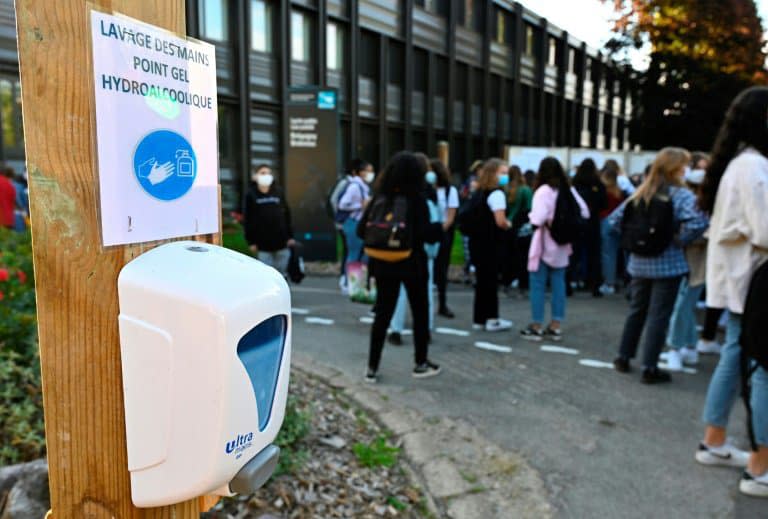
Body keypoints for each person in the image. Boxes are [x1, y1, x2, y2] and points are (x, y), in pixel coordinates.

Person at [695, 86, 768, 498]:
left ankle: (715, 439)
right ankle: (757, 465)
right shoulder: (754, 167)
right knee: (757, 364)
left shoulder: (742, 165)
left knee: (738, 355)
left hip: (742, 276)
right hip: (752, 279)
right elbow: (766, 229)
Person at [609, 148, 708, 383]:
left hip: (639, 263)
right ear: (675, 169)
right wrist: (679, 239)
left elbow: (614, 221)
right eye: (684, 166)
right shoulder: (680, 195)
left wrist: (633, 243)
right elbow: (699, 222)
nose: (687, 170)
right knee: (659, 316)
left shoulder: (641, 192)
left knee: (637, 311)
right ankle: (649, 367)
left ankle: (623, 356)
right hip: (668, 262)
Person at [358, 151, 443, 382]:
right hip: (412, 263)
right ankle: (420, 363)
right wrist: (439, 228)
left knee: (383, 315)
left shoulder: (379, 198)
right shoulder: (417, 200)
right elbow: (427, 234)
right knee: (420, 312)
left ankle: (372, 367)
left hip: (382, 263)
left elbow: (361, 230)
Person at [519, 157, 589, 341]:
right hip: (562, 244)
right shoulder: (568, 189)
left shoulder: (543, 191)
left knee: (538, 283)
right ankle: (556, 325)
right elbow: (585, 212)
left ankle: (536, 325)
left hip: (544, 242)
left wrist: (532, 216)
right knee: (558, 283)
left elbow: (537, 219)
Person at [388, 162, 443, 345]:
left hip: (398, 253)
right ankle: (425, 331)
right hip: (421, 255)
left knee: (398, 293)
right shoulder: (426, 199)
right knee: (424, 294)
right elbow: (433, 228)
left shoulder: (393, 199)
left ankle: (395, 329)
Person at [662, 166, 709, 371]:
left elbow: (703, 234)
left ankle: (675, 349)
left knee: (680, 307)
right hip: (697, 265)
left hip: (693, 264)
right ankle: (689, 348)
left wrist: (680, 238)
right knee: (685, 307)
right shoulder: (705, 205)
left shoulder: (704, 208)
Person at [469, 158, 514, 332]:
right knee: (490, 282)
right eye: (502, 173)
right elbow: (500, 221)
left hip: (478, 243)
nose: (505, 177)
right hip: (492, 244)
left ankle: (479, 319)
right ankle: (492, 318)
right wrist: (509, 225)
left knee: (481, 283)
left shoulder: (479, 193)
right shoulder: (497, 194)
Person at [242, 164, 295, 276]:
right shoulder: (250, 195)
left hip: (281, 242)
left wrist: (290, 236)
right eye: (263, 173)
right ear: (255, 176)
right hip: (262, 245)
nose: (266, 175)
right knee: (266, 275)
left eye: (269, 173)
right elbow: (248, 219)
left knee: (282, 275)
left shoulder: (278, 192)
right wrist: (250, 241)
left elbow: (287, 215)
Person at [332, 159, 373, 293]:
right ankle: (347, 283)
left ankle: (355, 285)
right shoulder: (355, 186)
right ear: (360, 172)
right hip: (353, 223)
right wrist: (360, 205)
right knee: (353, 253)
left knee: (359, 254)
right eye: (367, 171)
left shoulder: (362, 186)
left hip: (358, 223)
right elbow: (342, 204)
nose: (370, 174)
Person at [572, 159, 607, 297]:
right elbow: (604, 203)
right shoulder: (598, 184)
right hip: (593, 222)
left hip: (576, 222)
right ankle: (594, 286)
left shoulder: (575, 184)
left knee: (574, 254)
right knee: (594, 255)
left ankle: (569, 282)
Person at [431, 158, 459, 318]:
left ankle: (442, 303)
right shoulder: (425, 189)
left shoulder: (450, 191)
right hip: (428, 231)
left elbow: (450, 216)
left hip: (442, 232)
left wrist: (439, 231)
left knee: (441, 270)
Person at [503, 165, 533, 296]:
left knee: (509, 256)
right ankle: (523, 286)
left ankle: (507, 283)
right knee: (523, 258)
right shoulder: (526, 190)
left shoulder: (506, 189)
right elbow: (530, 209)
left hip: (508, 225)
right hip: (522, 227)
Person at [598, 164, 626, 295]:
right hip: (618, 224)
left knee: (607, 254)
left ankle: (609, 282)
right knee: (617, 254)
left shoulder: (603, 191)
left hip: (605, 222)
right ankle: (618, 280)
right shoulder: (620, 192)